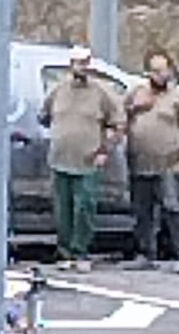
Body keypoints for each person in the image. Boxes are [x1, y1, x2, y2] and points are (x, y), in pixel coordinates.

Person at [39, 46, 124, 272]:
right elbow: (44, 117)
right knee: (62, 208)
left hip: (88, 160)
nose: (80, 67)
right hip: (60, 159)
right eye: (77, 63)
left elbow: (117, 124)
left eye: (85, 62)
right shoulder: (57, 90)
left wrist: (105, 150)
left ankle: (80, 251)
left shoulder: (101, 93)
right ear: (70, 65)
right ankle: (64, 252)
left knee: (84, 207)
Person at [124, 50, 179, 272]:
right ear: (148, 72)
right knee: (142, 210)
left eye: (164, 70)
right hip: (140, 161)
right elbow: (121, 117)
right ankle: (145, 252)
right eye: (156, 71)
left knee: (172, 207)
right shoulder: (136, 93)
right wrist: (135, 108)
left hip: (169, 162)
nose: (161, 75)